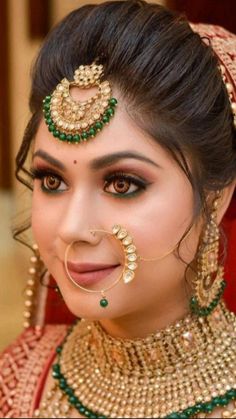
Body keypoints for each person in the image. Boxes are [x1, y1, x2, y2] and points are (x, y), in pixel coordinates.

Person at [0, 1, 236, 417]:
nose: (72, 228)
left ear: (215, 198)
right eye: (52, 182)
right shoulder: (20, 382)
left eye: (122, 183)